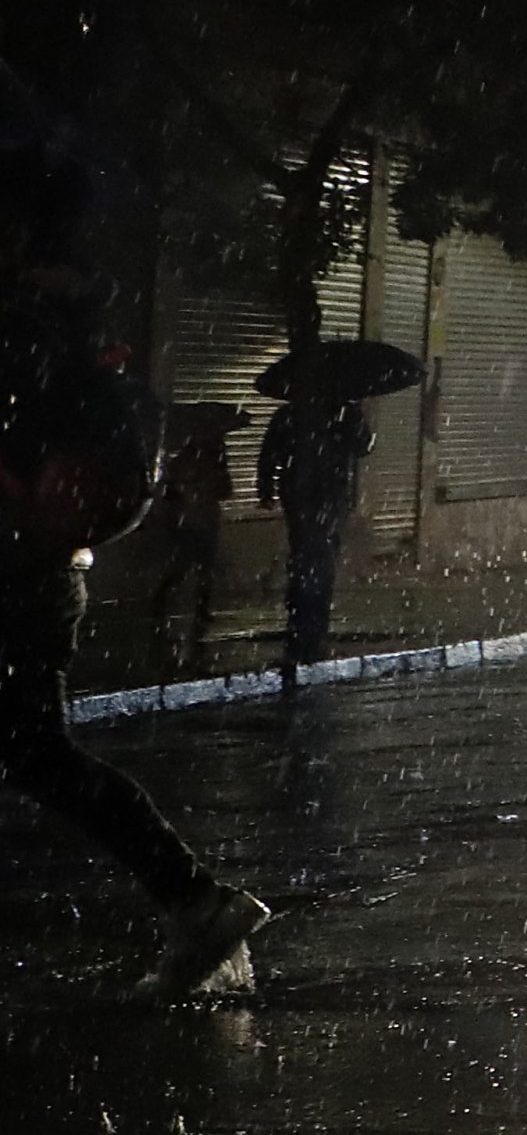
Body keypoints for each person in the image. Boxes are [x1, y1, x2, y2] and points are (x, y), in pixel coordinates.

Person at [0, 143, 268, 998]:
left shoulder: (21, 329)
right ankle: (192, 899)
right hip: (38, 568)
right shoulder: (70, 327)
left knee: (34, 752)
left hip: (13, 567)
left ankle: (194, 898)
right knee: (34, 751)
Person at [258, 394, 372, 666]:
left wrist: (266, 486)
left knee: (307, 555)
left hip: (306, 496)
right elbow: (364, 446)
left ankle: (302, 620)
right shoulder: (339, 413)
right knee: (319, 559)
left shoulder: (292, 414)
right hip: (323, 497)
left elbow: (269, 453)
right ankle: (310, 623)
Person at [150, 420, 235, 665]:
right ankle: (177, 604)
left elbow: (224, 490)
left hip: (195, 521)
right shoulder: (193, 461)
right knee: (191, 565)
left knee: (197, 566)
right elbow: (172, 490)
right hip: (194, 521)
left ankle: (184, 605)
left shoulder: (196, 461)